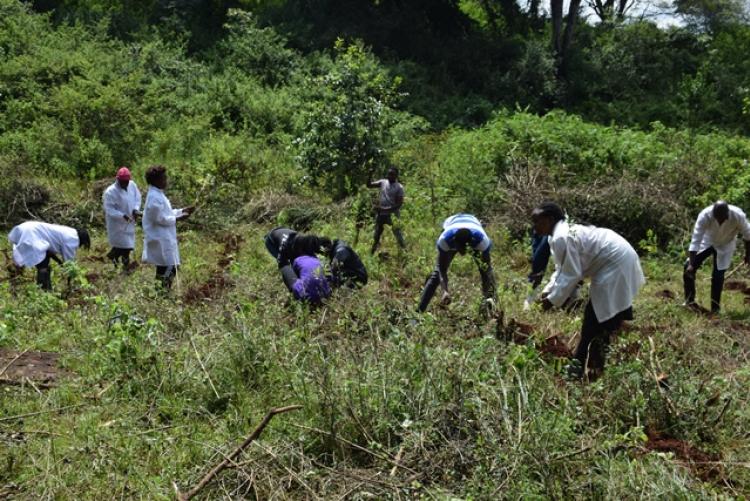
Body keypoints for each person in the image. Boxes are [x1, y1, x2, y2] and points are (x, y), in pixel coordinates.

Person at [533, 202, 645, 379]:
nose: (534, 227)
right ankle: (597, 362)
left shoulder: (561, 236)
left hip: (615, 263)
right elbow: (561, 269)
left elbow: (571, 275)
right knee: (604, 316)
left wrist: (550, 301)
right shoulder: (556, 236)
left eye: (537, 221)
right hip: (618, 258)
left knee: (593, 320)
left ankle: (580, 368)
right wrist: (547, 292)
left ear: (550, 219)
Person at [417, 213, 496, 312]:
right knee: (436, 274)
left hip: (473, 222)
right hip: (451, 221)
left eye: (465, 248)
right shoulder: (445, 240)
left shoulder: (481, 242)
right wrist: (444, 291)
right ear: (455, 243)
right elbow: (442, 269)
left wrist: (485, 297)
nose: (462, 252)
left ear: (470, 243)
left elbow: (486, 270)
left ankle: (491, 307)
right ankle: (418, 312)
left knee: (487, 273)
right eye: (460, 248)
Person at [684, 200, 750, 313]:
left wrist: (748, 255)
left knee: (718, 276)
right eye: (717, 218)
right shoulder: (705, 215)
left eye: (722, 218)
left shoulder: (737, 216)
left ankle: (715, 308)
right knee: (687, 268)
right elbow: (696, 239)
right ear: (713, 214)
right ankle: (690, 302)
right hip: (708, 241)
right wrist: (691, 264)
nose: (719, 221)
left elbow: (748, 236)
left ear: (727, 214)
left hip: (726, 244)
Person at [141, 165, 194, 289]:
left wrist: (182, 210)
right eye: (163, 178)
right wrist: (178, 218)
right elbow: (159, 218)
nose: (166, 180)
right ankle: (162, 292)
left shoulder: (158, 194)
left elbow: (166, 213)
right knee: (170, 267)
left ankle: (160, 293)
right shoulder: (154, 197)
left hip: (163, 237)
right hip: (160, 239)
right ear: (155, 181)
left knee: (164, 267)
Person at [8, 221, 90, 290]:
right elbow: (69, 264)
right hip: (31, 233)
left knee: (30, 262)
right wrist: (70, 282)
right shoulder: (73, 239)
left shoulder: (68, 232)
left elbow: (49, 252)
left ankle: (15, 282)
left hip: (26, 228)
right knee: (43, 267)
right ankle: (43, 291)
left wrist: (60, 262)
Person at [102, 166, 141, 270]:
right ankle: (125, 266)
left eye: (127, 181)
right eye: (123, 181)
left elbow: (138, 198)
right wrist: (121, 215)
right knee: (125, 246)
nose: (125, 184)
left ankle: (113, 256)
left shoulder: (132, 185)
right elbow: (109, 209)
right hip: (117, 224)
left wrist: (136, 209)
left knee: (127, 245)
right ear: (118, 179)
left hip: (130, 220)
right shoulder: (110, 191)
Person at [369, 167, 405, 254]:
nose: (390, 176)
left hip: (392, 215)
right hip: (381, 214)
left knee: (397, 234)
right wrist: (369, 174)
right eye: (389, 174)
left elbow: (398, 205)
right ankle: (372, 253)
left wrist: (383, 209)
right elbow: (369, 185)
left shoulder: (399, 187)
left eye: (392, 174)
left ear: (396, 175)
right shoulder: (383, 182)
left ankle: (405, 252)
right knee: (377, 234)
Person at [263, 227, 330, 263]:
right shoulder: (284, 247)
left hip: (282, 229)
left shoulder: (306, 240)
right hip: (270, 241)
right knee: (288, 262)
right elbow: (283, 265)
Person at [524, 231, 551, 309]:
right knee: (536, 256)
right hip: (540, 224)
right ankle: (531, 298)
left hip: (549, 224)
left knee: (538, 259)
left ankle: (530, 300)